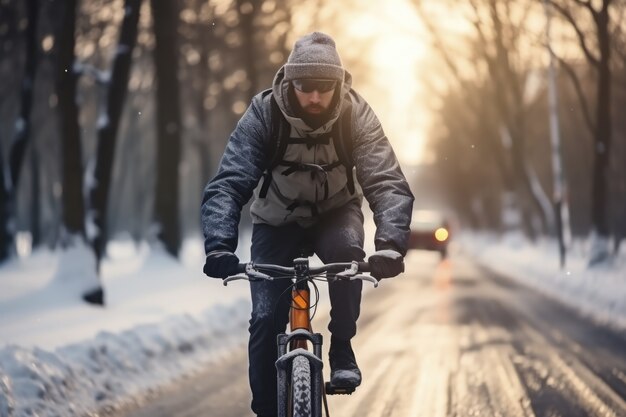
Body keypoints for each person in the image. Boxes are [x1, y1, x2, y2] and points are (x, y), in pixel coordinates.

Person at [201, 32, 414, 417]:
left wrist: (390, 244)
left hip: (335, 213)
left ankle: (342, 347)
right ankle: (265, 408)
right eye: (305, 88)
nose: (315, 97)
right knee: (265, 317)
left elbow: (386, 181)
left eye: (324, 88)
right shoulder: (264, 114)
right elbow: (229, 182)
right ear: (289, 81)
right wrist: (218, 244)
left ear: (339, 85)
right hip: (275, 221)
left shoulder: (356, 115)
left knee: (349, 255)